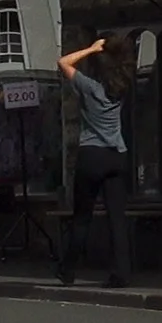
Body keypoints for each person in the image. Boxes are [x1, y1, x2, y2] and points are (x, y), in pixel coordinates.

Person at [56, 36, 132, 287]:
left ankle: (68, 270)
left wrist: (90, 49)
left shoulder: (89, 87)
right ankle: (121, 273)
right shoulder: (121, 86)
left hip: (92, 154)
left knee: (82, 217)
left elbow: (63, 62)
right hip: (117, 153)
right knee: (117, 218)